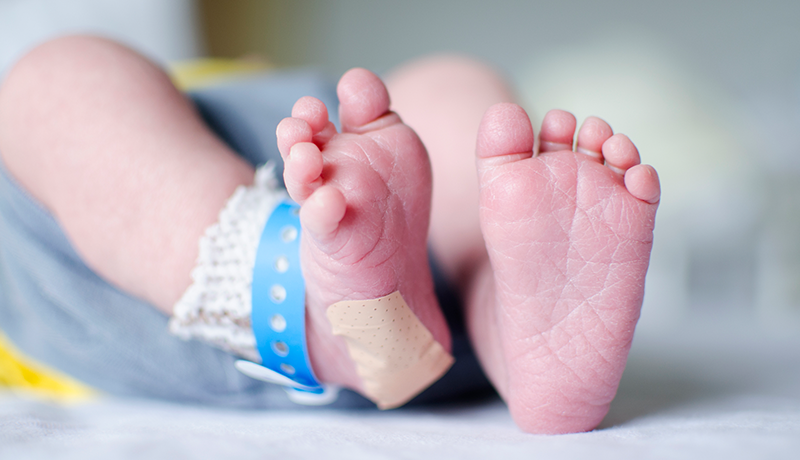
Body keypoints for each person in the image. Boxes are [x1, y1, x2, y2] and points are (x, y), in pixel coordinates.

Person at [0, 36, 659, 434]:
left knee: (447, 85)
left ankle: (505, 330)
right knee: (47, 83)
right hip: (134, 283)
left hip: (401, 276)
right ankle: (302, 299)